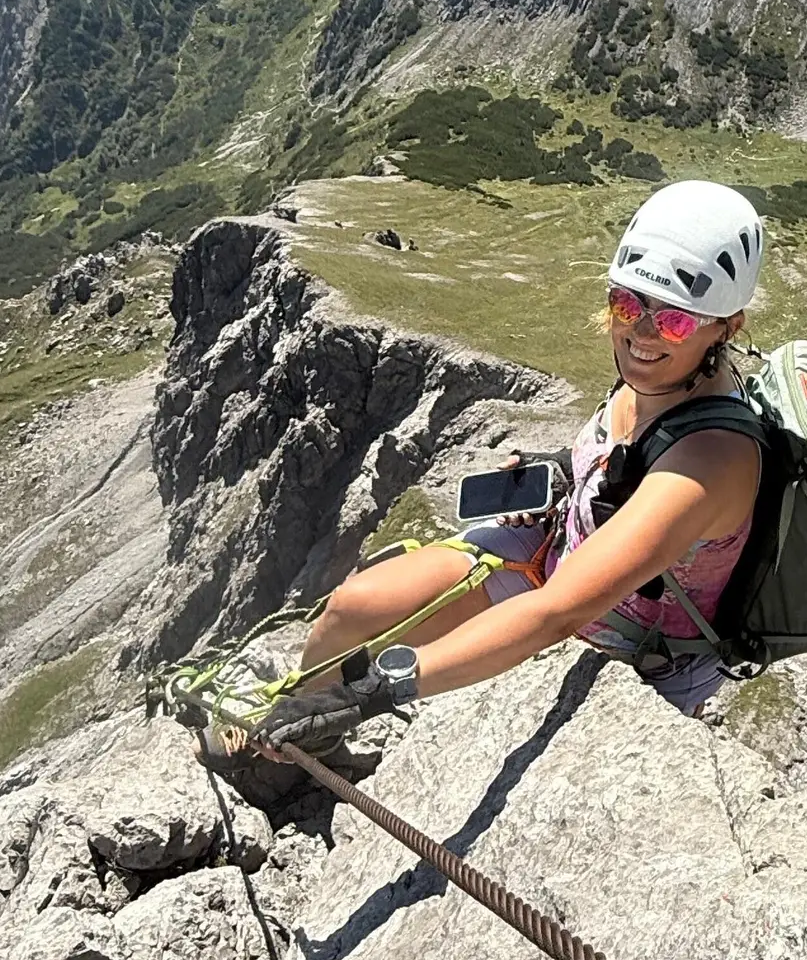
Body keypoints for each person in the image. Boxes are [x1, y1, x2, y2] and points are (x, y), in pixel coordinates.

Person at [266, 181, 767, 747]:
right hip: (555, 556)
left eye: (675, 321)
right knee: (354, 607)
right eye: (626, 304)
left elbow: (558, 613)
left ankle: (303, 736)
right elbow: (618, 461)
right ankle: (289, 736)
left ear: (728, 326)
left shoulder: (711, 458)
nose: (642, 332)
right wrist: (558, 470)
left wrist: (367, 696)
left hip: (631, 642)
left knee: (386, 660)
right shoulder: (659, 376)